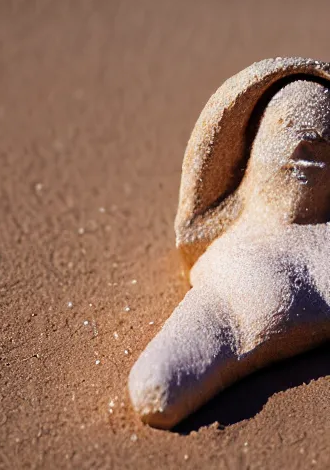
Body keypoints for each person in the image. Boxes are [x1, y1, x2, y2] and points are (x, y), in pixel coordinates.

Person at [129, 58, 330, 429]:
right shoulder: (231, 255)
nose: (309, 143)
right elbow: (160, 384)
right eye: (288, 127)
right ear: (255, 151)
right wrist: (161, 383)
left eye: (324, 130)